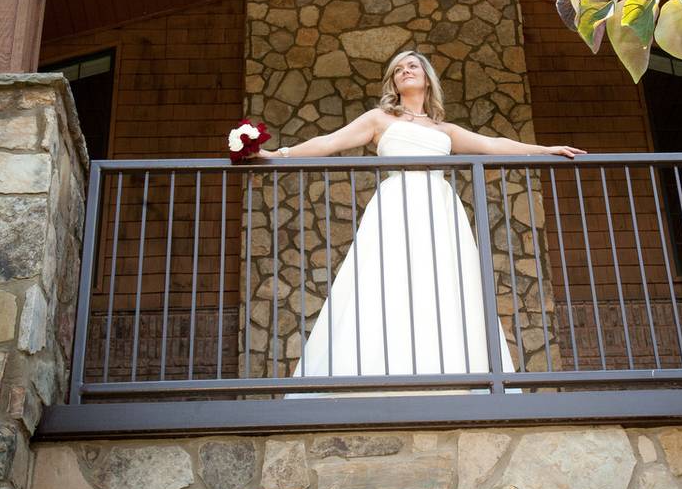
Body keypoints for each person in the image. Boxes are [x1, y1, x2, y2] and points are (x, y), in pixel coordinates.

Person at [250, 51, 584, 391]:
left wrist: (544, 149)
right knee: (388, 284)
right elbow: (330, 142)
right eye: (398, 69)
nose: (405, 71)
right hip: (395, 206)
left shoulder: (445, 129)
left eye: (412, 66)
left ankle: (451, 374)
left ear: (426, 78)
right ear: (393, 83)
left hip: (439, 211)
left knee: (442, 287)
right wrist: (278, 155)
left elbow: (492, 144)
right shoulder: (379, 119)